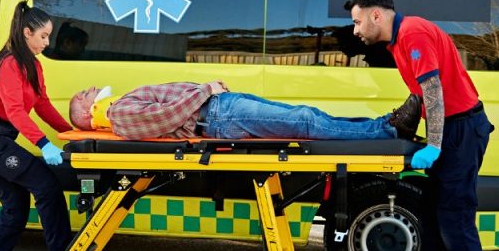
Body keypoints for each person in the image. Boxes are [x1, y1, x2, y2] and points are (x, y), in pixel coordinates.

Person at [348, 0, 499, 251]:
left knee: (456, 221)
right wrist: (403, 128)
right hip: (450, 128)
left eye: (357, 21)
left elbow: (434, 91)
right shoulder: (398, 43)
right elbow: (420, 94)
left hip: (461, 130)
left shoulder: (413, 33)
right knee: (432, 214)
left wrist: (434, 145)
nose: (355, 30)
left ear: (376, 15)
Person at [0, 0, 73, 251]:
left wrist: (71, 133)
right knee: (46, 186)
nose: (47, 43)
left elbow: (42, 104)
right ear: (26, 32)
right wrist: (43, 143)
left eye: (49, 36)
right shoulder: (9, 63)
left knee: (15, 208)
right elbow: (15, 111)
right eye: (43, 36)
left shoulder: (33, 65)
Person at [68, 81, 421, 140]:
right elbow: (166, 117)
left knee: (307, 115)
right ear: (86, 115)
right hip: (218, 115)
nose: (90, 89)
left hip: (221, 109)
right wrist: (206, 90)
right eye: (84, 95)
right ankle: (389, 131)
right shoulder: (118, 115)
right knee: (304, 121)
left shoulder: (119, 109)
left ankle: (384, 125)